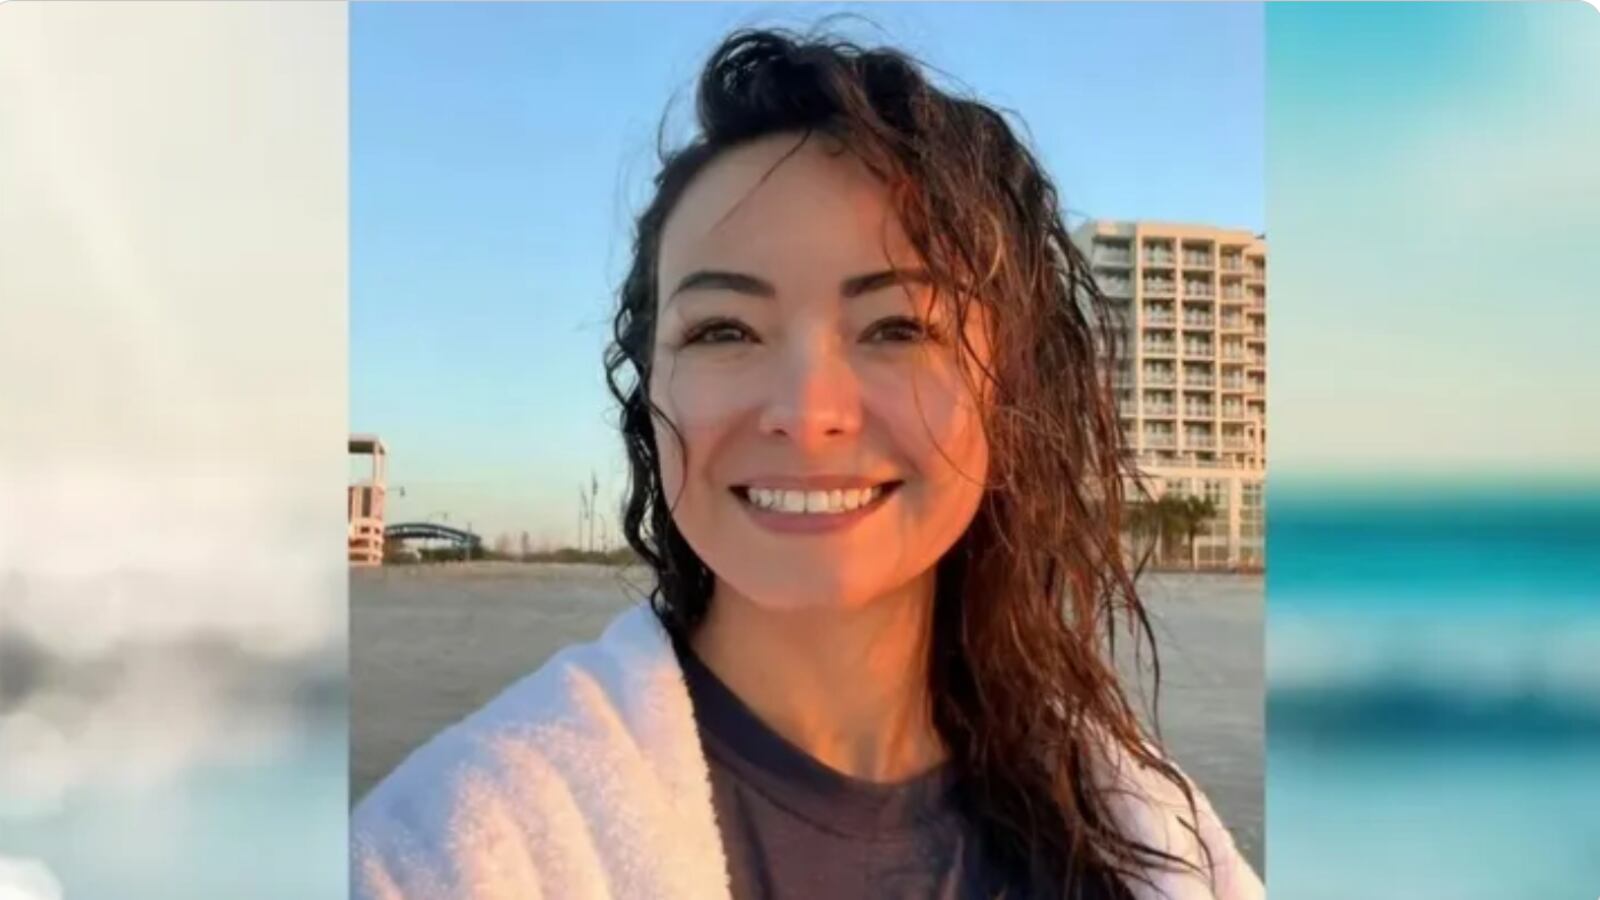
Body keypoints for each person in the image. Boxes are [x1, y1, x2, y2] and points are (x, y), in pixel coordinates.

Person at [352, 27, 1263, 900]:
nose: (805, 413)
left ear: (1011, 396)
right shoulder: (446, 853)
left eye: (898, 327)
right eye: (723, 330)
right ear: (651, 390)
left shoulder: (1148, 833)